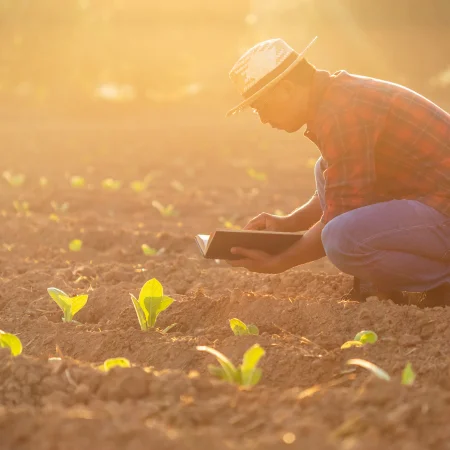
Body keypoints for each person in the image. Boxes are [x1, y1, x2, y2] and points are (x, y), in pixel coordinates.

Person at [225, 37, 450, 307]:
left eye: (262, 107)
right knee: (324, 169)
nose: (263, 119)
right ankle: (381, 283)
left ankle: (442, 280)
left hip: (442, 204)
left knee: (340, 239)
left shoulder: (342, 112)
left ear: (285, 89)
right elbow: (344, 186)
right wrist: (290, 222)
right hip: (430, 197)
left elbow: (341, 211)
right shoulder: (338, 95)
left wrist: (280, 261)